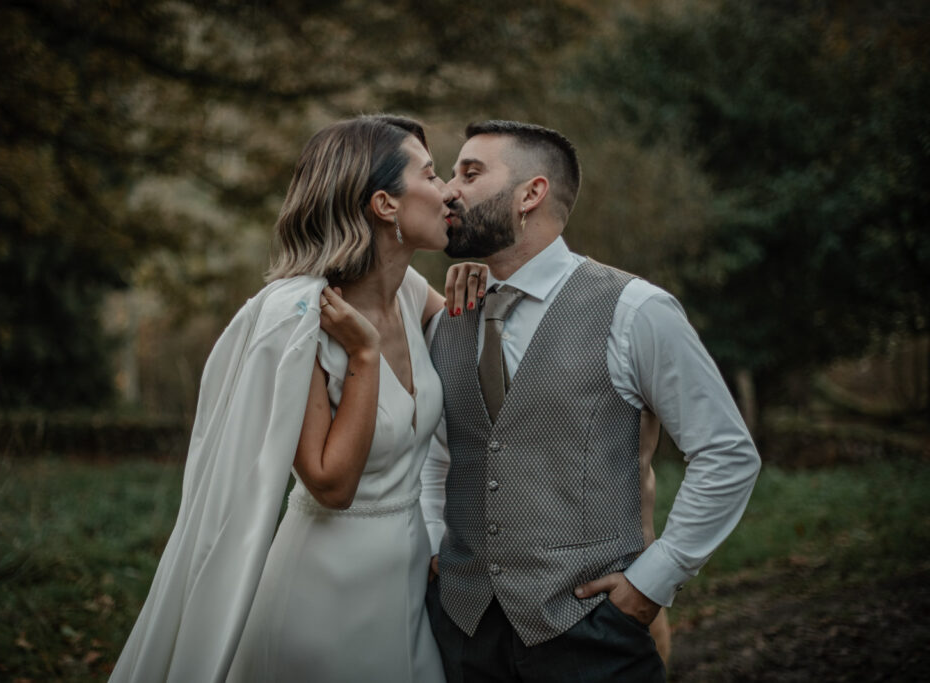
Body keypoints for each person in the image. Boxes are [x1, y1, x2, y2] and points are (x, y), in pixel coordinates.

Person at [111, 115, 456, 682]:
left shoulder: (413, 294)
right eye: (431, 173)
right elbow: (330, 483)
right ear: (384, 204)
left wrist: (480, 282)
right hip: (322, 599)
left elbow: (487, 356)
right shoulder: (301, 316)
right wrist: (364, 360)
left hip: (409, 588)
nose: (446, 191)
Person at [420, 120, 761, 682]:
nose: (448, 190)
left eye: (470, 172)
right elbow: (440, 455)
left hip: (593, 632)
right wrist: (436, 546)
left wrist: (654, 581)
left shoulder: (636, 310)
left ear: (531, 193)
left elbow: (726, 454)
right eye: (450, 173)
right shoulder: (448, 320)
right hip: (462, 634)